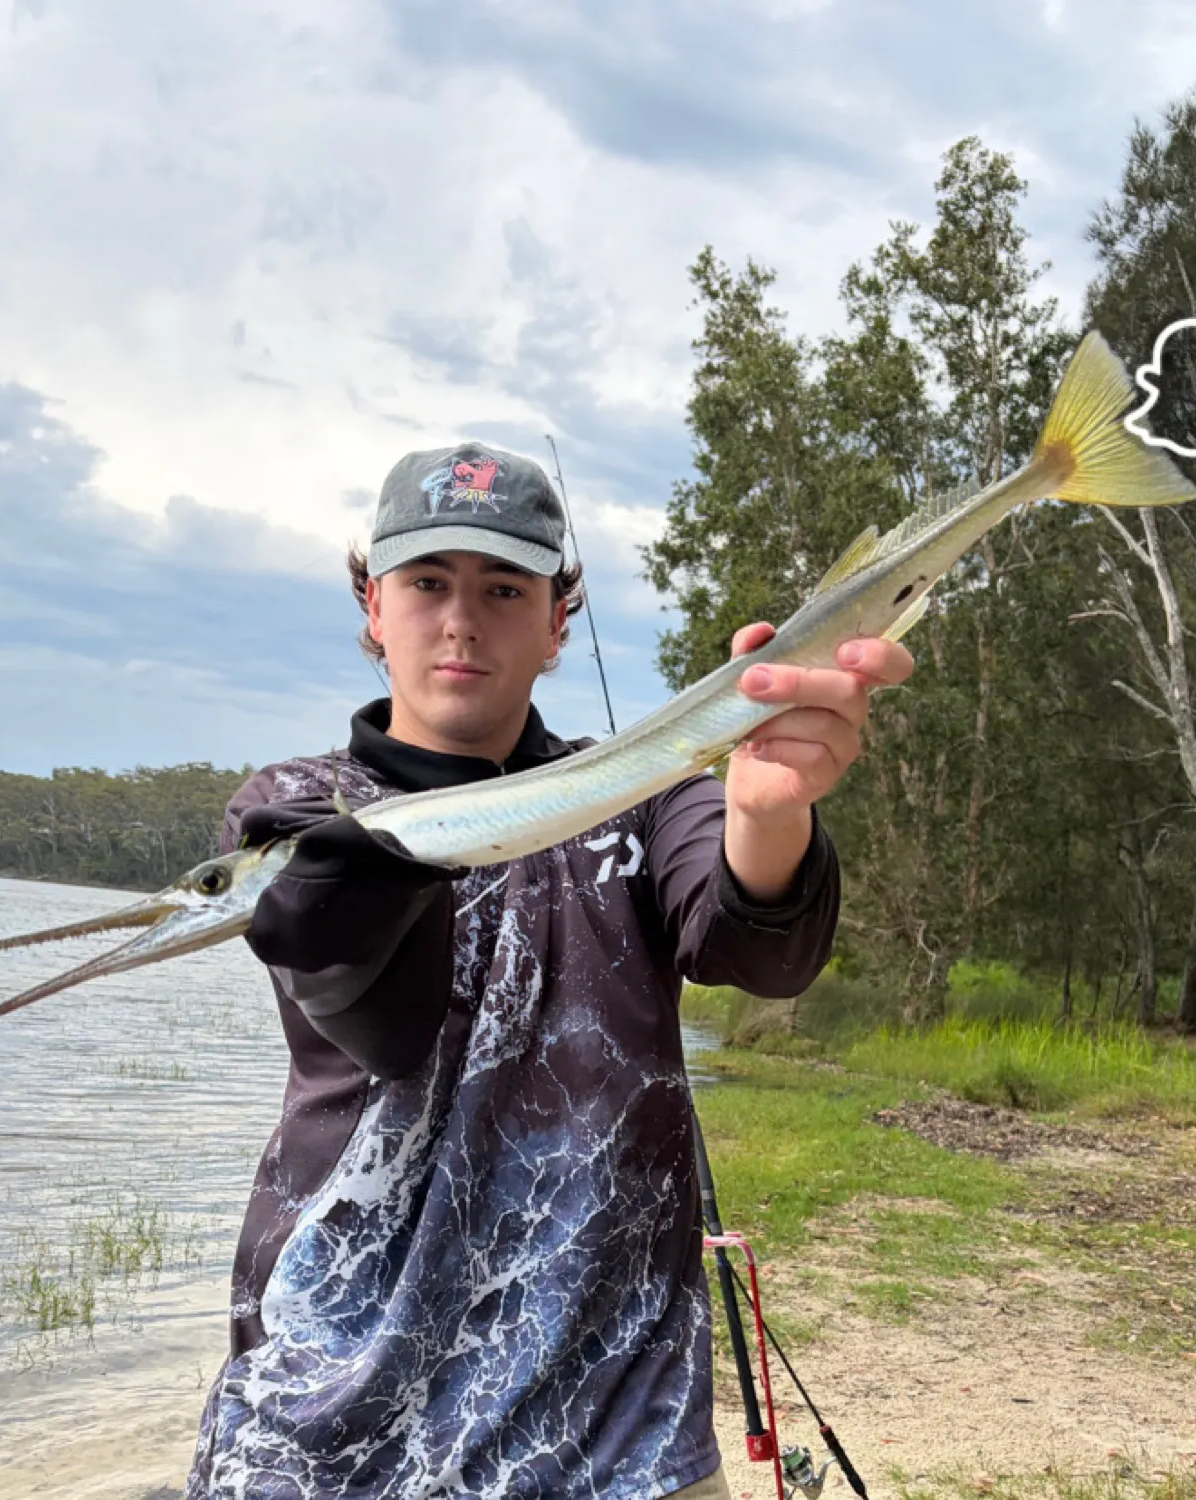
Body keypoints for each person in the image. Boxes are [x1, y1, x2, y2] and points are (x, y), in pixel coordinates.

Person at [185, 442, 913, 1500]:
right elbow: (369, 1005)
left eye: (503, 588)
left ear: (557, 619)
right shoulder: (295, 813)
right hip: (328, 1436)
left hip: (618, 1437)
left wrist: (769, 807)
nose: (462, 620)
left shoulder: (650, 794)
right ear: (372, 605)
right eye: (427, 583)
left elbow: (760, 945)